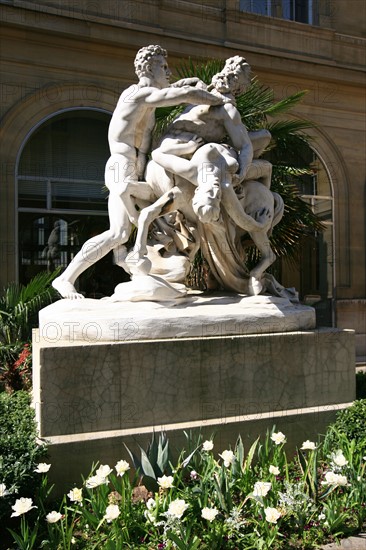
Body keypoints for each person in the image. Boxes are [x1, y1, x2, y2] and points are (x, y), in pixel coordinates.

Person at [52, 45, 227, 299]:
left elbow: (174, 90)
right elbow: (180, 95)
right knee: (118, 232)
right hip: (121, 168)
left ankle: (149, 266)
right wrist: (221, 99)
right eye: (163, 67)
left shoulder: (149, 97)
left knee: (162, 211)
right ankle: (66, 278)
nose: (168, 72)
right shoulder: (137, 94)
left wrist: (184, 84)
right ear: (148, 67)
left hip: (137, 170)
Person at [151, 55, 272, 193]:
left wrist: (241, 174)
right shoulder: (197, 86)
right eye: (228, 70)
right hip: (167, 142)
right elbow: (163, 91)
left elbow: (245, 146)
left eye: (235, 77)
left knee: (264, 137)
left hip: (183, 148)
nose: (229, 75)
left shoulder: (227, 111)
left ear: (238, 89)